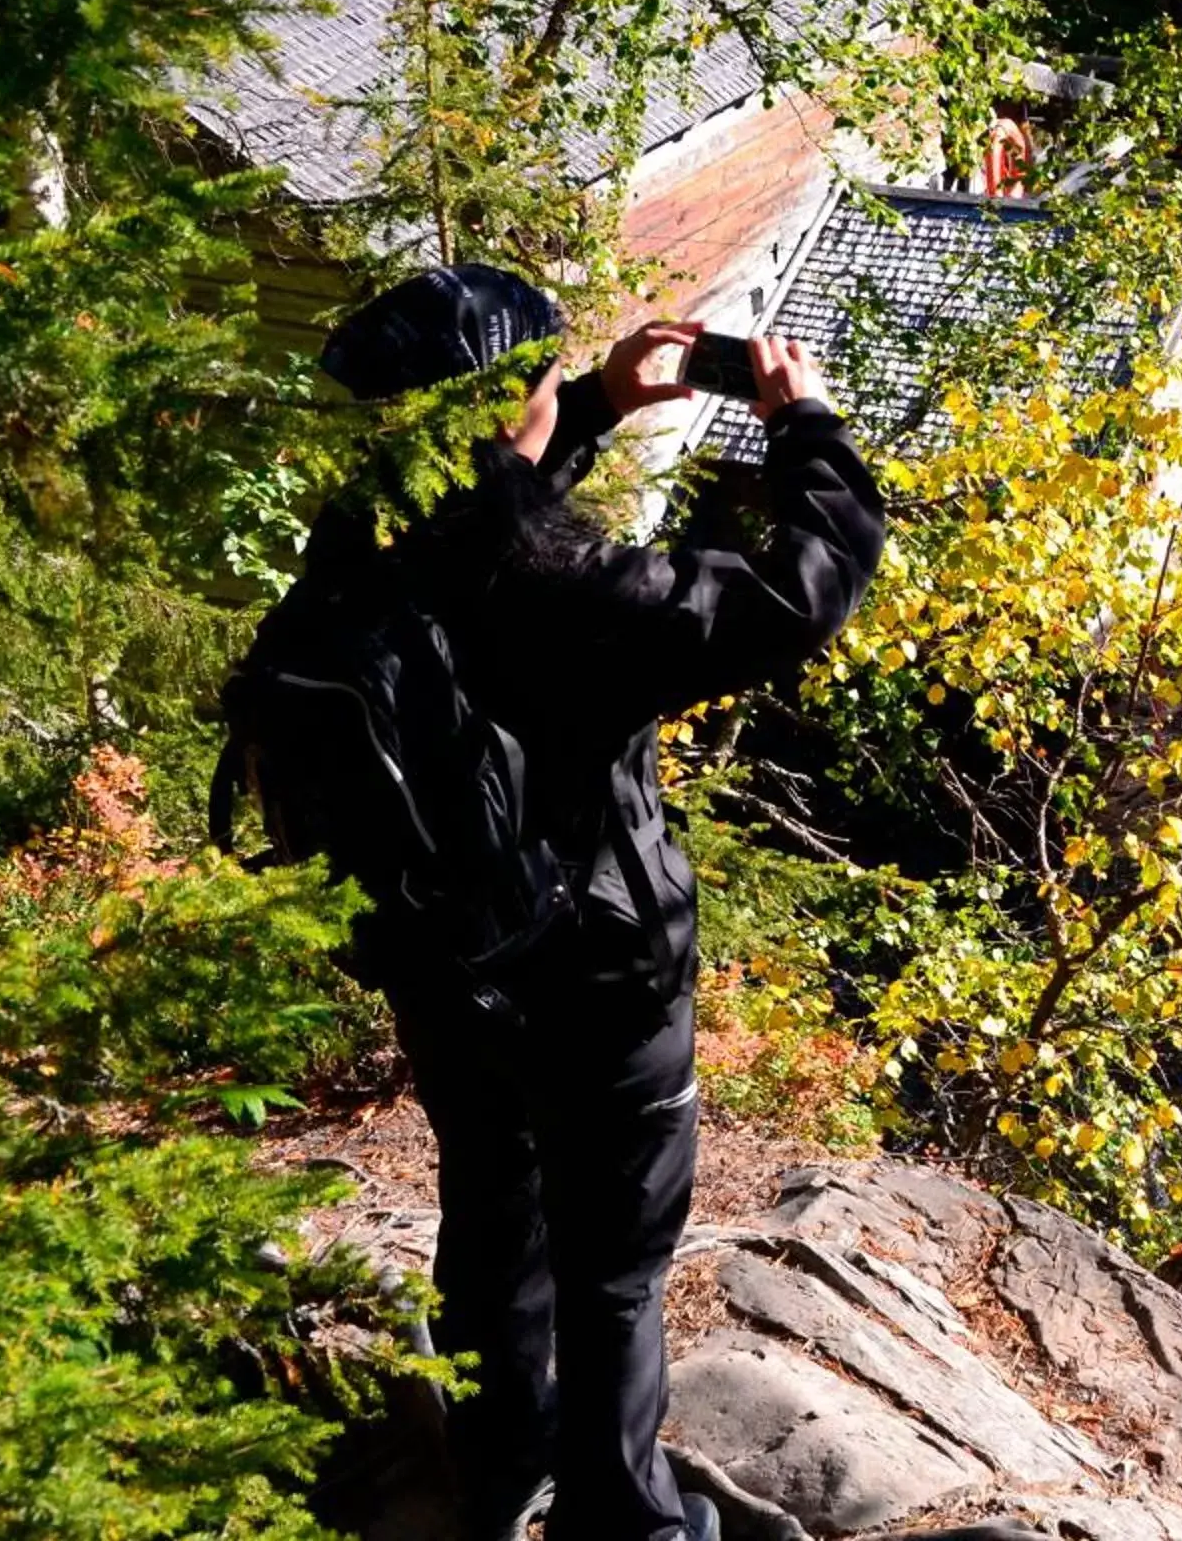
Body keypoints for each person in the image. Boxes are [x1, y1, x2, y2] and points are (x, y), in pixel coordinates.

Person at [304, 265, 885, 1541]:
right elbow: (798, 591)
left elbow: (480, 520)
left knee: (491, 1208)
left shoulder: (356, 548)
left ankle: (498, 1462)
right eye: (549, 378)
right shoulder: (570, 590)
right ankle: (626, 1515)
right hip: (601, 974)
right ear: (512, 398)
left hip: (444, 965)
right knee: (615, 1269)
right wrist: (807, 427)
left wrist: (597, 412)